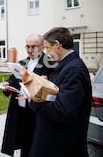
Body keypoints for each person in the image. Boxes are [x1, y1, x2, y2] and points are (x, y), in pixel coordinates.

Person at [22, 27, 92, 157]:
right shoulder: (64, 66)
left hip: (60, 145)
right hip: (53, 140)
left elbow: (63, 111)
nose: (46, 52)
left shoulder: (74, 70)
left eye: (48, 48)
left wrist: (33, 100)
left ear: (57, 45)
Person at [0, 34, 53, 157]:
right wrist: (7, 83)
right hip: (19, 109)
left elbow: (49, 88)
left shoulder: (49, 64)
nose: (30, 50)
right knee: (22, 142)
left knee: (35, 144)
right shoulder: (23, 62)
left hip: (35, 110)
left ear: (42, 47)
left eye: (33, 47)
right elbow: (14, 78)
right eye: (27, 47)